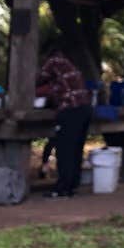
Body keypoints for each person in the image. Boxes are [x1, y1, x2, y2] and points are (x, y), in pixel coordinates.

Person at [36, 45, 94, 198]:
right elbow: (56, 88)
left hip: (71, 110)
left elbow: (38, 79)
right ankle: (72, 185)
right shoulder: (69, 67)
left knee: (64, 150)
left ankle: (61, 188)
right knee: (76, 149)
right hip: (84, 109)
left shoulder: (54, 61)